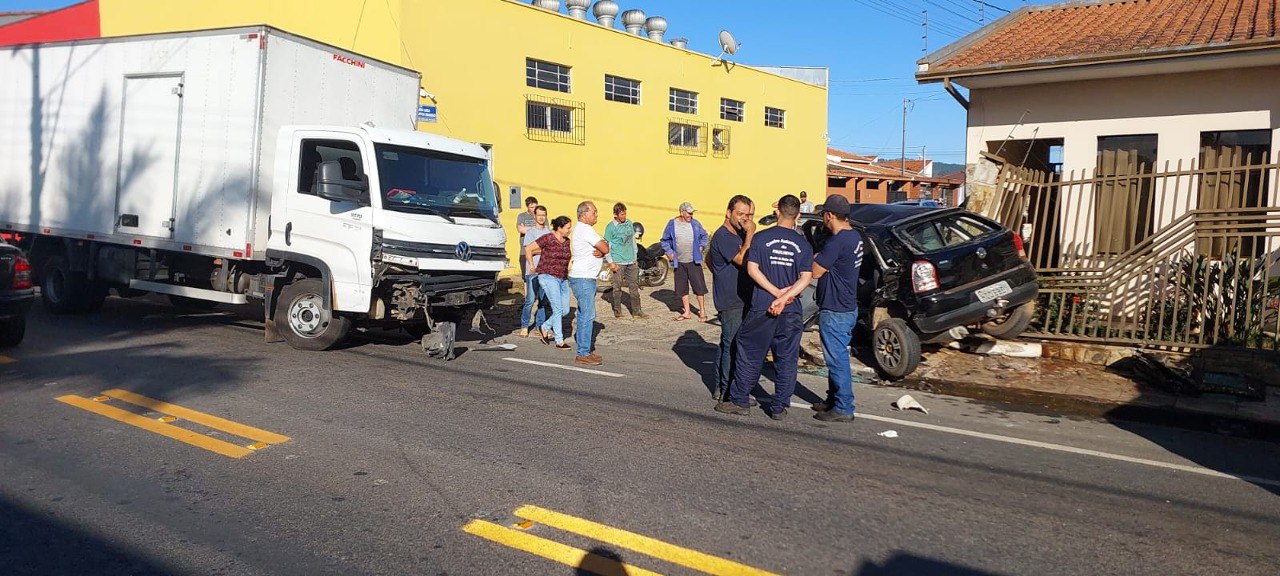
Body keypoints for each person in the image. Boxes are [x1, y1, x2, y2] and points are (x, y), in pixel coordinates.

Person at [716, 194, 813, 420]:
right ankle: (779, 407)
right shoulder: (803, 244)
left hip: (762, 306)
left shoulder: (760, 238)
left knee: (749, 353)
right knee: (786, 359)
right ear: (797, 216)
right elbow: (805, 278)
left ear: (777, 212)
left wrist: (774, 294)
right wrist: (785, 296)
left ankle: (739, 400)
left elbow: (752, 270)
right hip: (790, 310)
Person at [808, 195, 864, 422]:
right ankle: (833, 398)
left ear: (830, 215)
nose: (823, 220)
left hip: (836, 308)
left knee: (836, 358)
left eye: (824, 215)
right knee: (836, 355)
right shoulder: (855, 236)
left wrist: (820, 260)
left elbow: (815, 271)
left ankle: (843, 406)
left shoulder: (838, 241)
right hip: (847, 305)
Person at [707, 195, 756, 402]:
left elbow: (709, 259)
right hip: (732, 300)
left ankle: (720, 387)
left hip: (738, 297)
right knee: (733, 345)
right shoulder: (725, 235)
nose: (744, 219)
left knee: (728, 343)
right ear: (728, 213)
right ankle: (728, 392)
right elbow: (743, 260)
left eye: (749, 215)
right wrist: (751, 233)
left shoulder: (735, 235)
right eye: (740, 214)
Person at [569, 201, 610, 366]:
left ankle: (585, 349)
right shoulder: (585, 229)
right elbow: (605, 247)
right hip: (584, 278)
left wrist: (601, 250)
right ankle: (583, 353)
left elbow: (602, 249)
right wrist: (602, 250)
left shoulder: (582, 230)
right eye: (594, 212)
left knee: (583, 314)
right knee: (587, 315)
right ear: (584, 214)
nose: (596, 215)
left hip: (584, 277)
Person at [524, 215, 574, 350]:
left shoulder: (567, 241)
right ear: (559, 228)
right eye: (568, 227)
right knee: (557, 309)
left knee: (565, 310)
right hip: (548, 276)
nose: (570, 230)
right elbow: (528, 248)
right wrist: (531, 265)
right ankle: (559, 340)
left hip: (563, 278)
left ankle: (544, 327)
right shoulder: (547, 238)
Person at [661, 201, 711, 322]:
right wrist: (669, 252)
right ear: (682, 212)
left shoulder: (695, 224)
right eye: (689, 213)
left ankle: (702, 311)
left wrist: (701, 246)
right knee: (682, 288)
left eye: (692, 213)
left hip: (693, 260)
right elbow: (664, 240)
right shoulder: (672, 224)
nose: (691, 215)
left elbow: (704, 236)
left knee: (699, 287)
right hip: (679, 262)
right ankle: (687, 312)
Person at [603, 202, 647, 319]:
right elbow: (607, 245)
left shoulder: (629, 223)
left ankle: (637, 311)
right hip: (618, 261)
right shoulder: (611, 227)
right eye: (622, 214)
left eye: (625, 214)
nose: (624, 216)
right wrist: (611, 262)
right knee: (617, 287)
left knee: (634, 287)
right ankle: (618, 311)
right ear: (616, 214)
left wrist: (635, 256)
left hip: (631, 261)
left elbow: (632, 240)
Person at [519, 205, 551, 337]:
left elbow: (550, 251)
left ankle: (540, 326)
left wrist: (537, 250)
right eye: (539, 215)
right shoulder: (531, 232)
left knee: (543, 301)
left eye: (544, 215)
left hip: (546, 270)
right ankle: (524, 325)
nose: (541, 217)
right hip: (532, 270)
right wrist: (541, 250)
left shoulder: (549, 233)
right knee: (530, 300)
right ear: (535, 216)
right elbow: (528, 251)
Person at [516, 196, 540, 277]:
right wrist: (536, 228)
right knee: (526, 277)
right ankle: (527, 290)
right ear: (527, 207)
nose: (534, 209)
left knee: (539, 276)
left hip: (538, 251)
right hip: (524, 251)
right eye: (531, 207)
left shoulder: (541, 216)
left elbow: (544, 232)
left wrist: (527, 229)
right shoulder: (522, 216)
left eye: (535, 207)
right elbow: (521, 229)